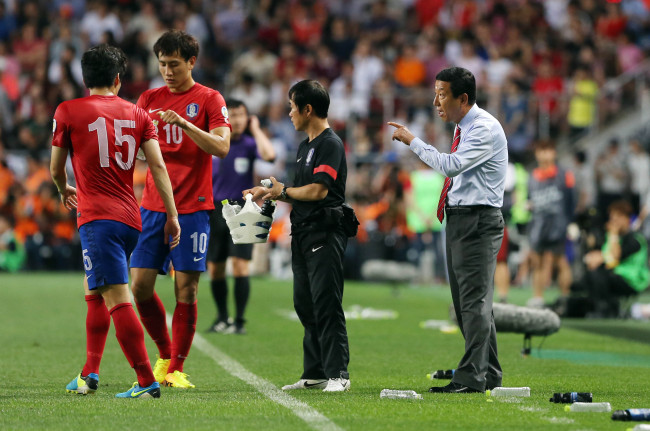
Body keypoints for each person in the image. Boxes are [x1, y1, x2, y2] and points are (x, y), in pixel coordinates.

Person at [51, 44, 180, 399]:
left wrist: (64, 189)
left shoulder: (68, 111)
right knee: (94, 289)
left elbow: (54, 167)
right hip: (131, 219)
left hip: (97, 218)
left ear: (84, 78)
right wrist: (171, 214)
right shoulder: (139, 115)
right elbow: (157, 166)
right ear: (118, 79)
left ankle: (145, 380)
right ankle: (89, 373)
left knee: (117, 297)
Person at [389, 66, 507, 394]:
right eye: (436, 93)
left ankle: (471, 377)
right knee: (469, 303)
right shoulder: (464, 127)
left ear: (463, 98)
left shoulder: (483, 128)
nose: (436, 101)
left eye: (442, 94)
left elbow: (451, 166)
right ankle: (490, 372)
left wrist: (412, 140)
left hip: (477, 220)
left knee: (473, 303)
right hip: (461, 219)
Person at [129, 30, 231, 389]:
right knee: (139, 286)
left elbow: (221, 147)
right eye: (162, 64)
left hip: (193, 208)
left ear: (191, 62)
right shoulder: (148, 98)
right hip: (152, 207)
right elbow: (136, 151)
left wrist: (186, 124)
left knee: (185, 290)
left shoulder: (209, 99)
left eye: (174, 64)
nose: (167, 71)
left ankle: (176, 368)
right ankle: (163, 352)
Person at [245, 80, 353, 392]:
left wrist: (284, 190)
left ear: (308, 109)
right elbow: (298, 191)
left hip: (325, 233)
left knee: (327, 303)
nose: (289, 112)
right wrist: (270, 191)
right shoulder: (306, 145)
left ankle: (338, 375)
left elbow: (318, 190)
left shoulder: (330, 144)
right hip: (303, 232)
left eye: (293, 106)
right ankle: (315, 372)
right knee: (305, 304)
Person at [207, 99, 275, 335]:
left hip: (244, 209)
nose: (236, 120)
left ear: (247, 118)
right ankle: (222, 318)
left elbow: (270, 155)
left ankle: (239, 322)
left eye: (241, 115)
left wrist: (256, 129)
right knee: (215, 268)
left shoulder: (249, 143)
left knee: (240, 267)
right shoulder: (214, 142)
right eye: (232, 115)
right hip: (215, 209)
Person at [570, 200, 649, 318]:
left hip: (633, 281)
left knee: (598, 275)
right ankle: (593, 307)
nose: (614, 221)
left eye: (618, 217)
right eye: (612, 217)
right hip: (614, 275)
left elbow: (616, 256)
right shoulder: (611, 236)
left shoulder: (636, 239)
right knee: (586, 279)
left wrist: (613, 235)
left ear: (626, 218)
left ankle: (605, 308)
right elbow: (606, 255)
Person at [526, 140, 574, 308]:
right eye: (541, 151)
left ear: (554, 153)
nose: (544, 154)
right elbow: (529, 199)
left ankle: (565, 297)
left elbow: (571, 200)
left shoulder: (563, 174)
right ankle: (538, 297)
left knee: (560, 261)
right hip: (538, 225)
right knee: (537, 261)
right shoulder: (532, 176)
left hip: (558, 224)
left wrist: (570, 222)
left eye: (548, 150)